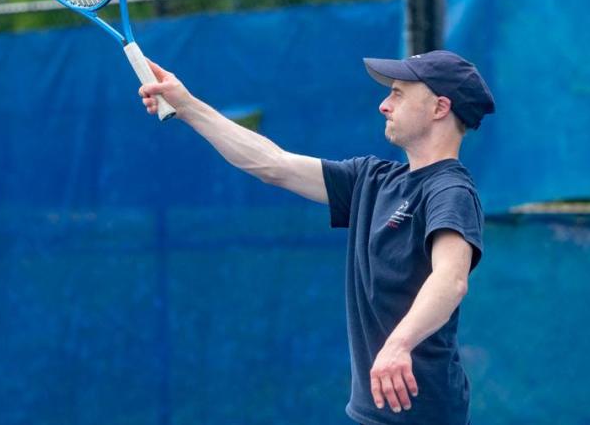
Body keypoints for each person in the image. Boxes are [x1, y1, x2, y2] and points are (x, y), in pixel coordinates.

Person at [138, 49, 495, 425]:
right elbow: (273, 164)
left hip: (424, 414)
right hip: (374, 411)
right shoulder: (371, 180)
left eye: (398, 93)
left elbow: (450, 278)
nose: (384, 105)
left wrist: (398, 344)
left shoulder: (450, 190)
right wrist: (188, 105)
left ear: (440, 107)